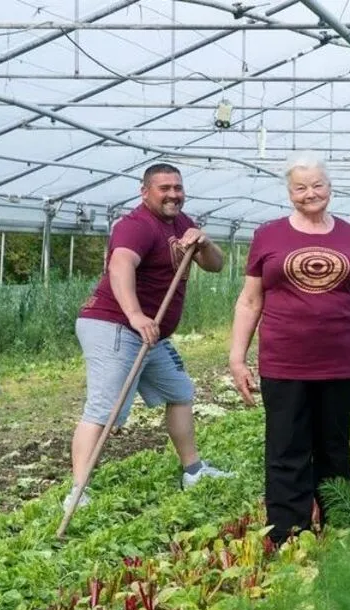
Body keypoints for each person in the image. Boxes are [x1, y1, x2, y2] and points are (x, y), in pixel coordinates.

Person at [229, 154, 350, 545]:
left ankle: (339, 527)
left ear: (330, 189)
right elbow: (250, 301)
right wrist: (237, 356)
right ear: (289, 192)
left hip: (340, 362)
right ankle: (288, 535)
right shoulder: (269, 235)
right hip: (284, 361)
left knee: (334, 446)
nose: (309, 194)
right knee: (286, 447)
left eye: (317, 185)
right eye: (300, 187)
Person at [69, 163, 233, 509]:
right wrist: (135, 315)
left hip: (151, 333)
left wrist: (204, 243)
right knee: (105, 409)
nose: (173, 194)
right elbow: (120, 266)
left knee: (180, 391)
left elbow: (215, 264)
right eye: (165, 188)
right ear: (145, 192)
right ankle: (78, 492)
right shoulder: (137, 226)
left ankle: (193, 471)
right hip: (115, 325)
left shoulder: (182, 223)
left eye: (178, 187)